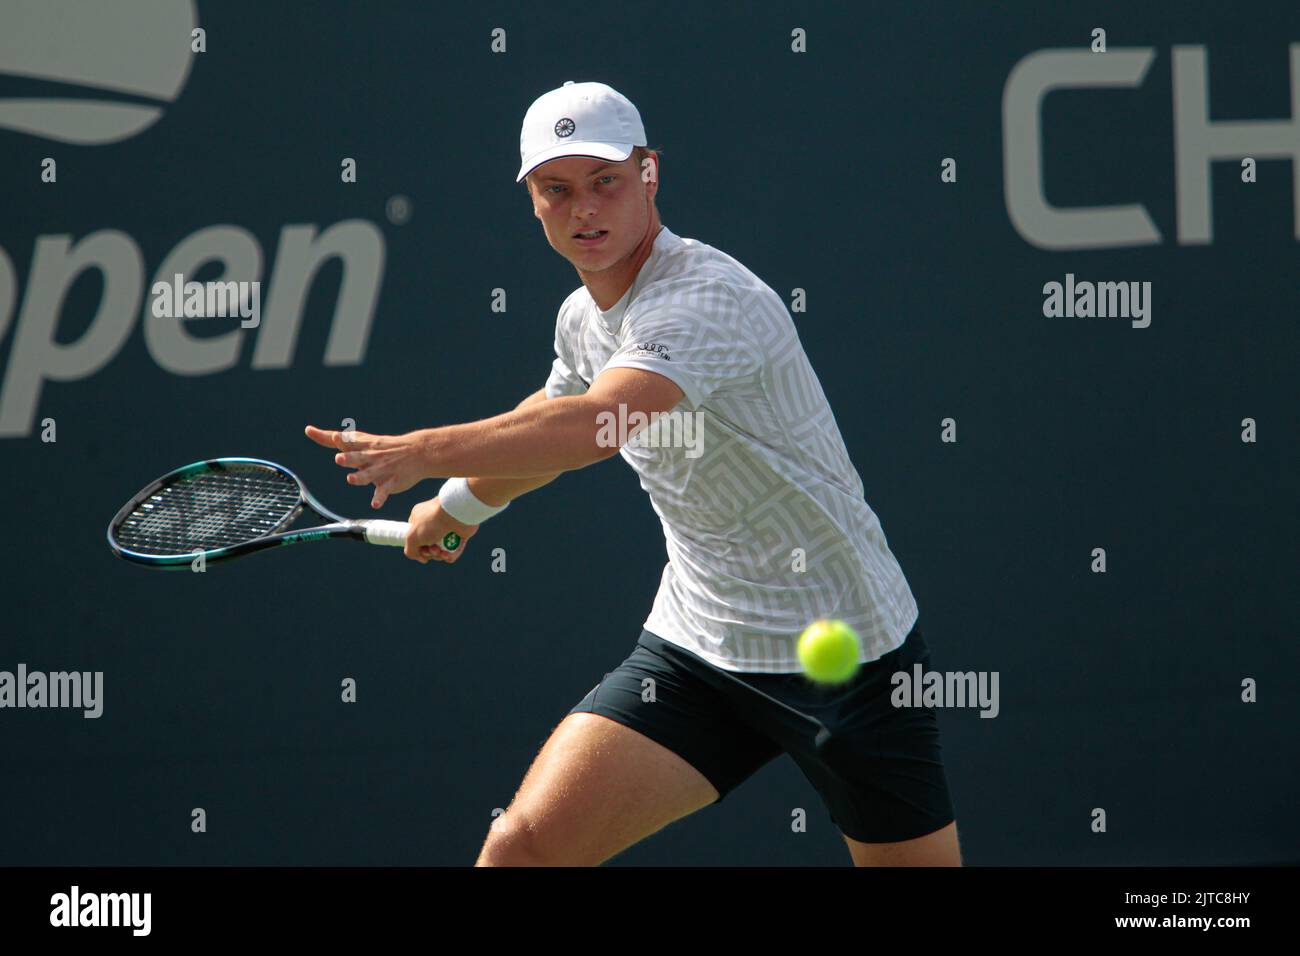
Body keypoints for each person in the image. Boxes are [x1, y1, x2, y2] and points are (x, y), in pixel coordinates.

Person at [305, 80, 960, 867]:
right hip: (698, 650)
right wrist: (454, 510)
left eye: (605, 182)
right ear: (534, 203)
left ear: (650, 173)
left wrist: (427, 451)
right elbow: (545, 426)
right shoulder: (583, 319)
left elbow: (594, 428)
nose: (584, 210)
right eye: (558, 190)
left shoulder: (706, 299)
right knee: (521, 852)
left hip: (850, 659)